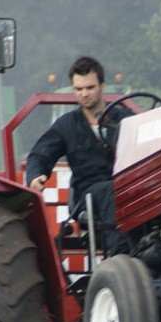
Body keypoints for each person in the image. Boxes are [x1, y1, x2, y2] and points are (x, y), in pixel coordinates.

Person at [25, 56, 131, 255]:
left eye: (90, 87)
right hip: (88, 193)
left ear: (102, 86)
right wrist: (35, 176)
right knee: (112, 191)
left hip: (128, 185)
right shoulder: (66, 125)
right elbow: (40, 154)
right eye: (79, 89)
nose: (84, 94)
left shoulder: (126, 119)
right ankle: (120, 258)